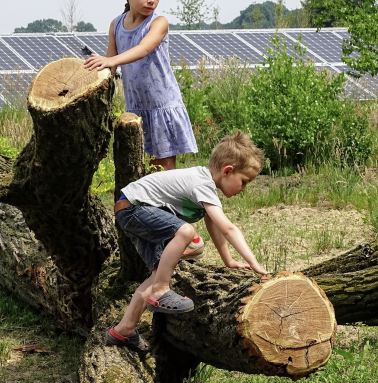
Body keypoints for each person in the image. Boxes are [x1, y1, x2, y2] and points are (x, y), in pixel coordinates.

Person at [104, 132, 268, 353]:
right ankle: (161, 291)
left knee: (157, 272)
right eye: (244, 182)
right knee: (186, 231)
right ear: (228, 171)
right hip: (135, 208)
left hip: (131, 211)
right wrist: (256, 264)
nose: (243, 189)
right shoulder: (202, 183)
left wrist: (228, 260)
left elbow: (216, 228)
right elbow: (228, 228)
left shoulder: (206, 188)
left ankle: (124, 329)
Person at [84, 0, 197, 172]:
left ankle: (168, 206)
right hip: (136, 108)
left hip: (161, 105)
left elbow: (143, 49)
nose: (151, 0)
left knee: (163, 170)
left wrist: (111, 60)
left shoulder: (158, 22)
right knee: (136, 168)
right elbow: (109, 67)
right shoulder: (116, 25)